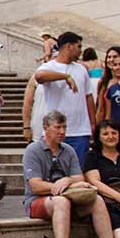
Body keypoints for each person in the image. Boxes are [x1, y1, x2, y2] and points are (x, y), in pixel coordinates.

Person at [23, 110, 118, 238]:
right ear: (45, 128)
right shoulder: (33, 150)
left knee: (97, 200)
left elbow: (79, 177)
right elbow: (35, 186)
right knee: (61, 201)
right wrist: (62, 186)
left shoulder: (68, 150)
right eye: (57, 127)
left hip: (68, 197)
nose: (62, 132)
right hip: (39, 201)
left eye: (64, 127)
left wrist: (67, 181)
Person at [33, 31, 94, 165]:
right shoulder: (49, 66)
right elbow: (39, 76)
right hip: (55, 130)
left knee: (78, 170)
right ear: (68, 46)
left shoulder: (81, 69)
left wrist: (92, 123)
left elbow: (88, 97)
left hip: (80, 131)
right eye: (78, 47)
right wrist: (65, 76)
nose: (80, 51)